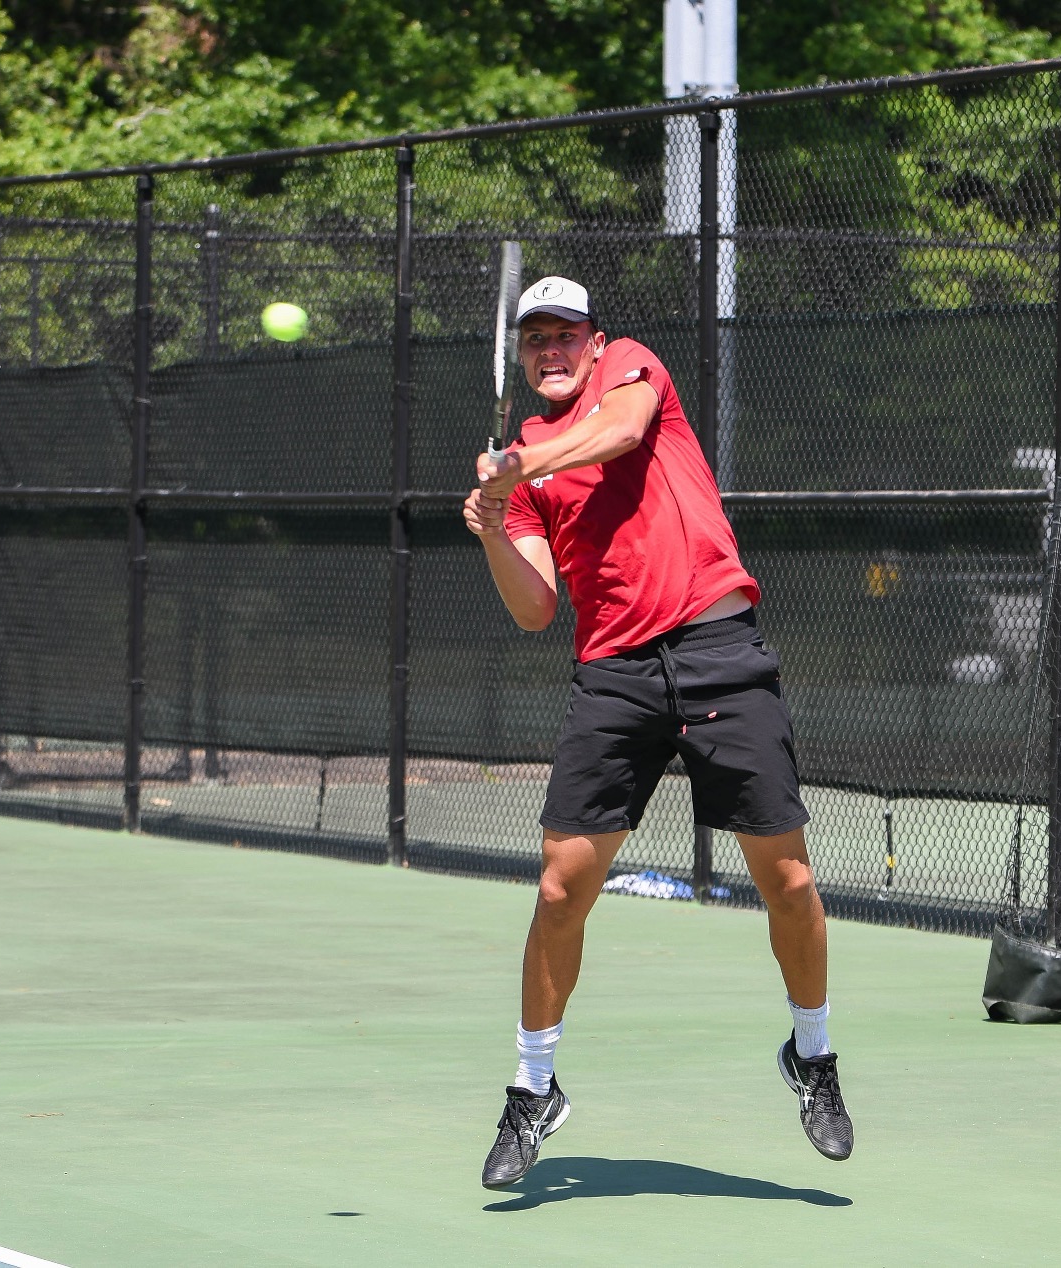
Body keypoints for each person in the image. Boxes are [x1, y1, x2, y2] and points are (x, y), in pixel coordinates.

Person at [464, 275, 852, 1190]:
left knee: (786, 881)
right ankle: (533, 1088)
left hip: (719, 648)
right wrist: (490, 525)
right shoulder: (522, 466)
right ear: (521, 360)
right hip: (617, 676)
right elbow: (533, 607)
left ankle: (815, 1057)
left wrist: (529, 468)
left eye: (566, 336)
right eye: (535, 342)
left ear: (595, 343)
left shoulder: (631, 373)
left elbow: (625, 432)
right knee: (561, 889)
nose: (551, 352)